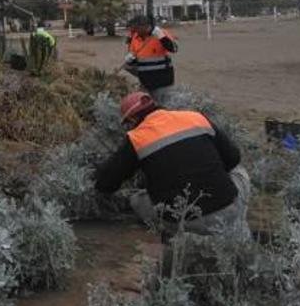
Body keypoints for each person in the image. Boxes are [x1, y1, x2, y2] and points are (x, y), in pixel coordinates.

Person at [94, 91, 251, 239]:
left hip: (182, 222)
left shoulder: (136, 138)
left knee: (136, 200)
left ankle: (173, 235)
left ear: (133, 120)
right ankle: (238, 223)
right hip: (228, 210)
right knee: (238, 170)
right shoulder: (195, 117)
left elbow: (105, 184)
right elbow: (233, 158)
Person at [122, 15, 178, 92]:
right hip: (145, 83)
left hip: (163, 81)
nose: (135, 31)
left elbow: (174, 49)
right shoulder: (135, 37)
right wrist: (130, 59)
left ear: (145, 26)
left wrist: (162, 37)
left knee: (164, 102)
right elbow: (137, 58)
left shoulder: (161, 33)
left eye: (137, 28)